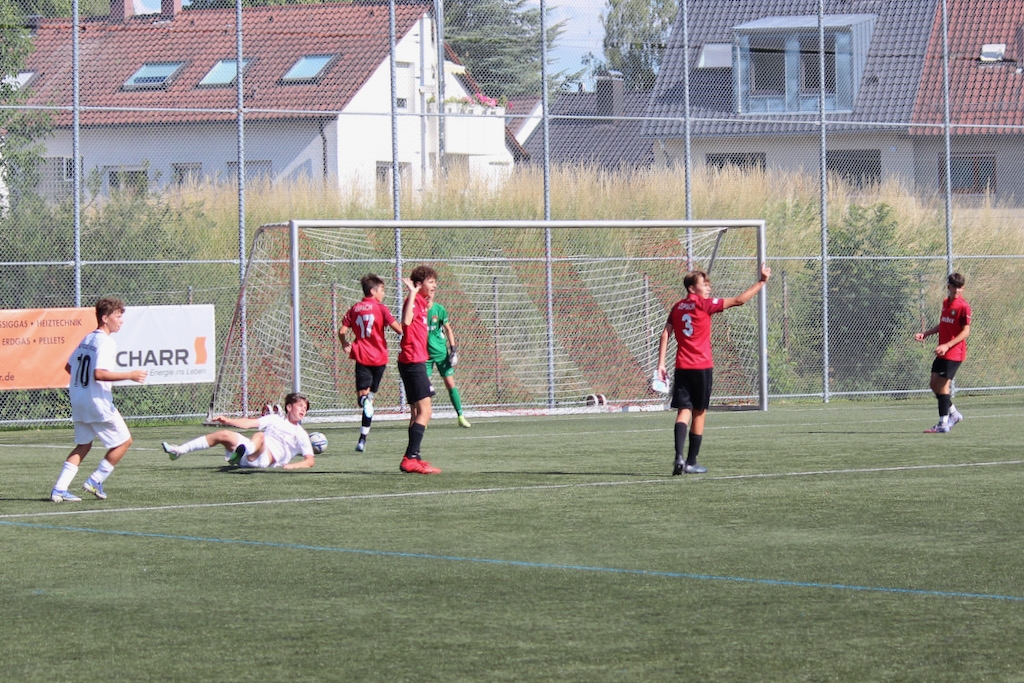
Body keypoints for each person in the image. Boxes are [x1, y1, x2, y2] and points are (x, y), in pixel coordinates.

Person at [657, 264, 771, 475]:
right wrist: (762, 282)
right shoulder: (704, 305)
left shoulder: (677, 307)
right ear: (692, 288)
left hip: (682, 367)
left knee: (683, 411)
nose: (709, 288)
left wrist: (661, 364)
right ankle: (691, 462)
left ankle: (679, 457)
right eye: (704, 284)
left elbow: (665, 334)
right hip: (702, 367)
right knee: (699, 412)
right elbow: (740, 300)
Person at [50, 297, 147, 502]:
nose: (121, 321)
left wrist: (82, 385)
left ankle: (59, 489)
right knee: (124, 441)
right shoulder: (106, 342)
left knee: (84, 445)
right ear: (105, 318)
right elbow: (99, 373)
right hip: (97, 402)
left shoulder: (87, 339)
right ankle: (95, 480)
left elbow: (69, 367)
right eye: (117, 316)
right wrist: (130, 375)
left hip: (79, 401)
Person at [162, 392, 315, 469]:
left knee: (260, 436)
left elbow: (310, 461)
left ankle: (243, 452)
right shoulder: (275, 418)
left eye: (305, 408)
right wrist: (228, 420)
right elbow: (249, 423)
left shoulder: (301, 434)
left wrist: (292, 466)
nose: (303, 410)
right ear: (289, 407)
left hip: (263, 461)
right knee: (223, 434)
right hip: (250, 453)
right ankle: (179, 451)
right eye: (300, 406)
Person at [338, 273, 404, 452]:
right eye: (382, 290)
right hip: (380, 357)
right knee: (370, 399)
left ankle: (363, 431)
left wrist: (344, 343)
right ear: (373, 291)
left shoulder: (355, 309)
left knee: (364, 399)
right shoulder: (381, 308)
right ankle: (362, 439)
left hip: (362, 355)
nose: (383, 293)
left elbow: (342, 331)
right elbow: (399, 329)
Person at [397, 265, 441, 474]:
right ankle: (410, 458)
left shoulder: (422, 303)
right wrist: (413, 293)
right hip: (413, 361)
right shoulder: (413, 300)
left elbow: (427, 305)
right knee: (425, 411)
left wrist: (424, 294)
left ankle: (415, 456)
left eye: (434, 282)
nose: (434, 285)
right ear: (418, 284)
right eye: (430, 282)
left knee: (416, 412)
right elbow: (406, 321)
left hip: (414, 360)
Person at [915, 272, 971, 433]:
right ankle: (954, 414)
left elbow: (966, 331)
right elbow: (943, 325)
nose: (957, 291)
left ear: (963, 288)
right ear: (949, 287)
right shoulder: (946, 303)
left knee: (943, 385)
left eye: (960, 288)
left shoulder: (963, 307)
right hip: (943, 351)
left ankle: (943, 424)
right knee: (934, 384)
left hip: (955, 353)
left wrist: (947, 345)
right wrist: (926, 334)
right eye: (954, 287)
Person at [426, 289, 471, 428]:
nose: (429, 295)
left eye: (432, 292)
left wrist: (453, 350)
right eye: (427, 292)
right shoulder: (418, 310)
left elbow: (448, 329)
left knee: (450, 383)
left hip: (441, 353)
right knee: (425, 388)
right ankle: (423, 419)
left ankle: (460, 416)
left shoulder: (439, 309)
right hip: (424, 354)